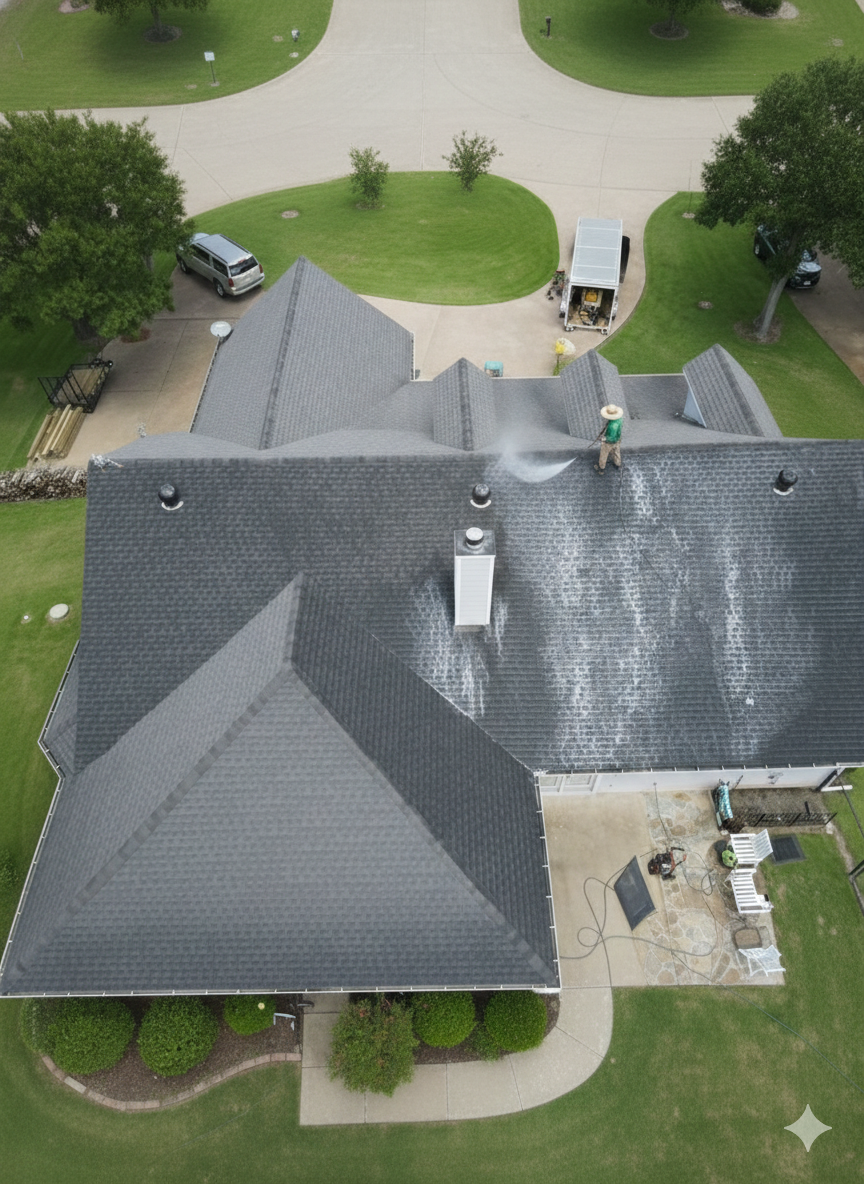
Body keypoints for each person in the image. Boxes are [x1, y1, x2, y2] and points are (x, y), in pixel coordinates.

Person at [594, 404, 623, 473]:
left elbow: (610, 438)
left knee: (604, 454)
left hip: (610, 442)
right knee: (616, 452)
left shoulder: (611, 426)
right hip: (618, 439)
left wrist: (603, 439)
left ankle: (601, 469)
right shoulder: (620, 419)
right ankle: (617, 464)